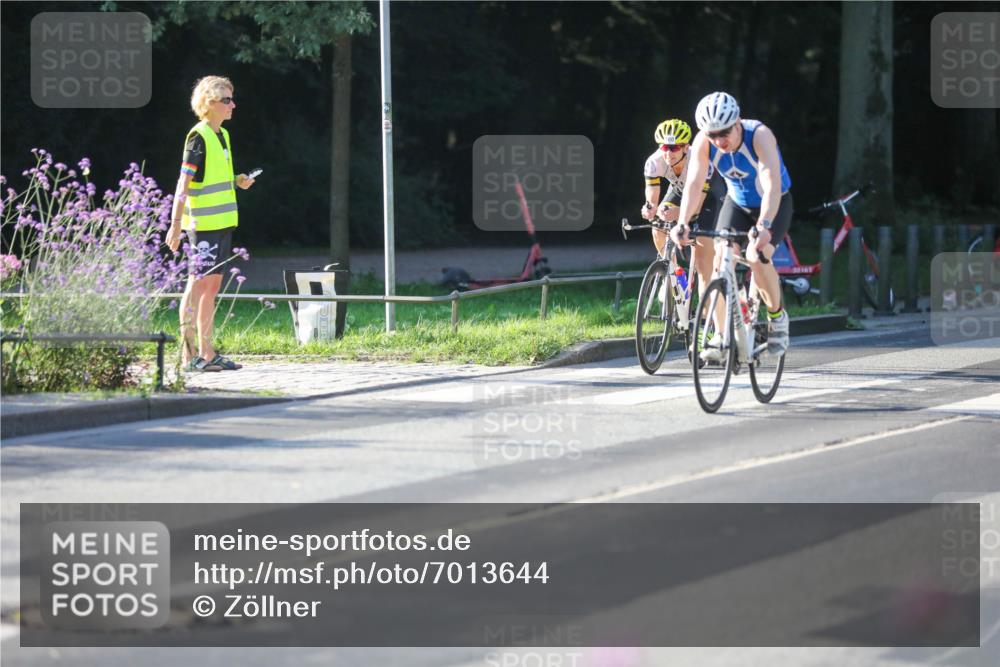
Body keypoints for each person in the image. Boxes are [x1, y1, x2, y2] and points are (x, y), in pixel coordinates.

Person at [672, 91, 793, 360]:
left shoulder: (759, 135)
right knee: (719, 260)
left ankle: (778, 318)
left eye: (724, 132)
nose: (719, 141)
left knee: (755, 256)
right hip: (737, 203)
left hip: (774, 203)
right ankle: (721, 336)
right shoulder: (705, 141)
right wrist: (682, 222)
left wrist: (764, 225)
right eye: (712, 135)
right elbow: (693, 182)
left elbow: (772, 185)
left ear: (737, 122)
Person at [165, 75, 255, 372]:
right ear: (209, 103)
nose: (233, 105)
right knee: (196, 285)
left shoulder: (222, 135)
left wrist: (236, 180)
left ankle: (207, 352)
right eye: (226, 100)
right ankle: (188, 357)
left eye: (232, 98)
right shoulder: (198, 136)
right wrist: (175, 224)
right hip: (201, 225)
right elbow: (184, 183)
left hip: (222, 224)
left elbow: (211, 178)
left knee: (211, 287)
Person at [641, 118, 724, 300]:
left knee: (702, 248)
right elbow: (652, 197)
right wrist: (650, 208)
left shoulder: (700, 160)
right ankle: (673, 276)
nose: (668, 153)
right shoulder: (654, 162)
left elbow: (697, 204)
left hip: (709, 196)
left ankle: (709, 297)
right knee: (658, 226)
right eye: (664, 147)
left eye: (674, 148)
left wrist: (679, 214)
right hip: (679, 190)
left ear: (686, 147)